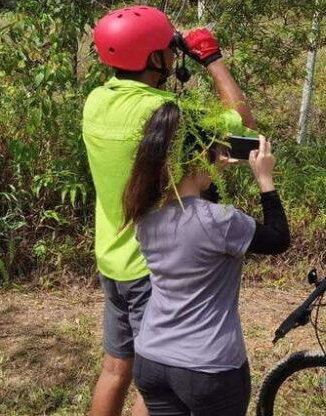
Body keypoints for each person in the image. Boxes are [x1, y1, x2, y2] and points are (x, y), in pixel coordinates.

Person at [83, 5, 256, 416]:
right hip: (156, 266)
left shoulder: (95, 101)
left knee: (114, 370)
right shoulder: (170, 116)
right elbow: (245, 127)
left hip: (112, 259)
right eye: (167, 49)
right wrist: (211, 59)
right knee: (153, 387)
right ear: (155, 59)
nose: (173, 54)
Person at [122, 104, 289, 416]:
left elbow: (194, 214)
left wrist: (211, 172)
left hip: (152, 359)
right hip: (209, 366)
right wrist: (265, 179)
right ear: (201, 157)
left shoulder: (145, 217)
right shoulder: (220, 221)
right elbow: (278, 239)